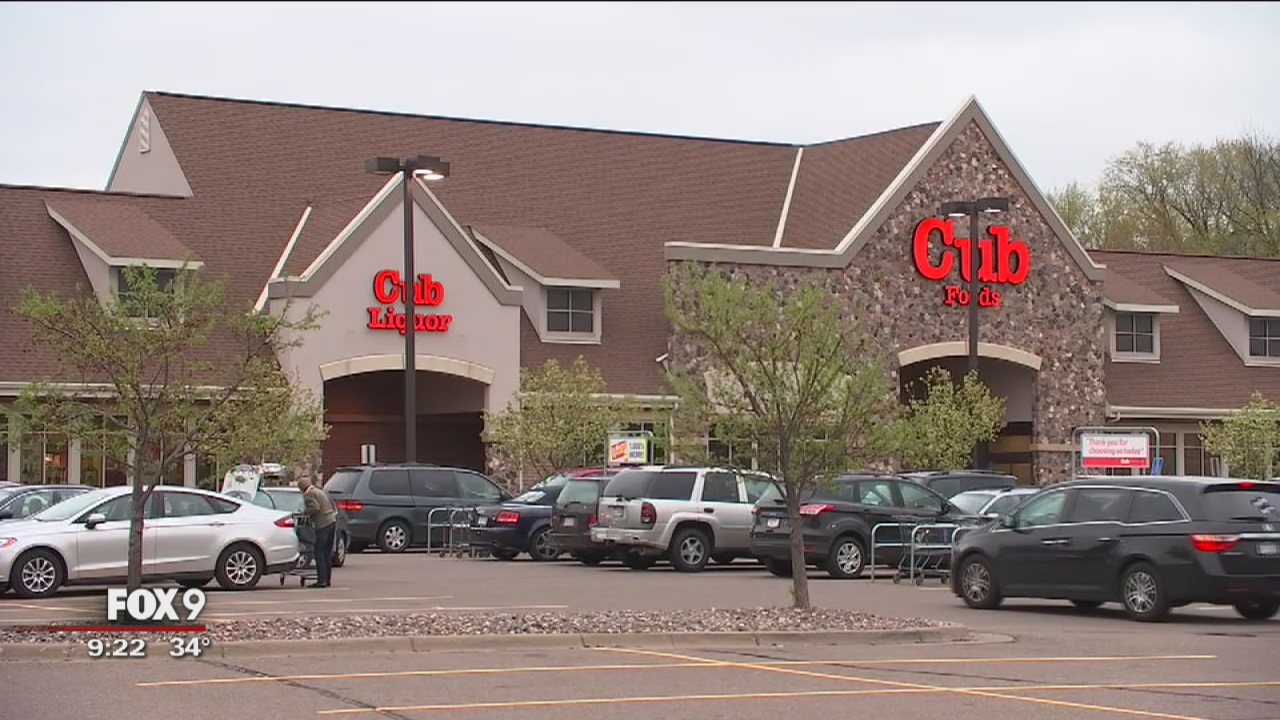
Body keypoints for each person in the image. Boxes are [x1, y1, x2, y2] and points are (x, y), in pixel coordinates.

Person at [297, 475, 337, 588]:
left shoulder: (309, 495)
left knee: (319, 552)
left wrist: (305, 512)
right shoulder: (319, 491)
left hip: (323, 524)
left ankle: (321, 580)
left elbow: (315, 507)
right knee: (326, 553)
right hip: (331, 521)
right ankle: (327, 579)